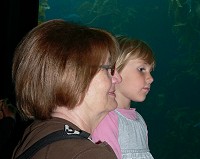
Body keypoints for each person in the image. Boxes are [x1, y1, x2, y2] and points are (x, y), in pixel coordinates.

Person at [11, 19, 122, 159]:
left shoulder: (36, 134)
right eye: (108, 69)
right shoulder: (86, 154)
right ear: (72, 75)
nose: (118, 79)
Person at [92, 35, 156, 159]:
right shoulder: (106, 117)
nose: (151, 78)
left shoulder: (139, 119)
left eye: (150, 71)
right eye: (141, 69)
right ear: (114, 70)